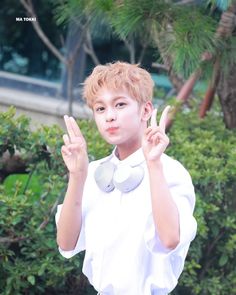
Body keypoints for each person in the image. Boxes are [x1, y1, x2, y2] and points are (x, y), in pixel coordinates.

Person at [55, 61, 197, 295]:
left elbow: (170, 239)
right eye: (100, 109)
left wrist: (153, 164)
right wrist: (77, 176)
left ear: (145, 110)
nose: (109, 116)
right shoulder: (92, 172)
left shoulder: (171, 172)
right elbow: (66, 243)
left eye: (120, 104)